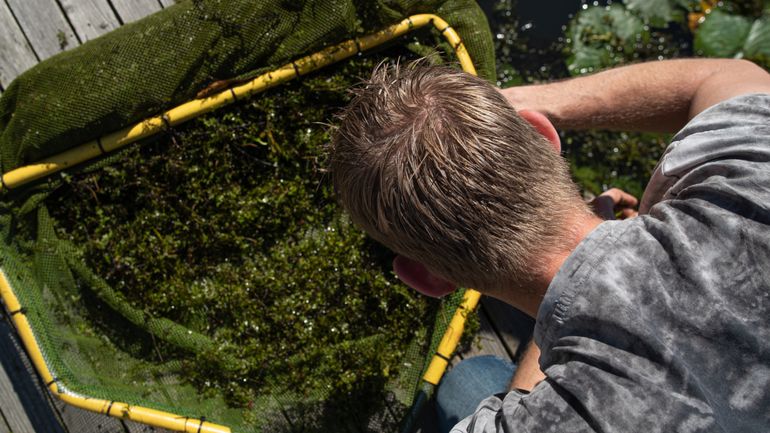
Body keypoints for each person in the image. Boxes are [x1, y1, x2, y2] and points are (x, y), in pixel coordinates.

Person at [330, 58, 770, 432]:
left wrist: (576, 285)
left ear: (426, 279)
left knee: (466, 381)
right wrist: (531, 102)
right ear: (544, 134)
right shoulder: (751, 179)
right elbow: (728, 75)